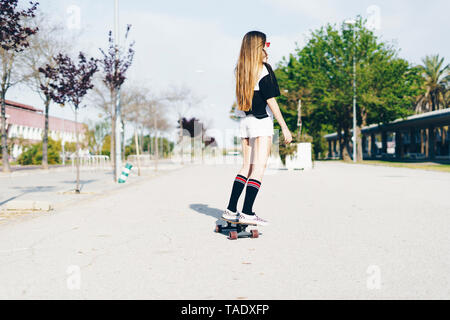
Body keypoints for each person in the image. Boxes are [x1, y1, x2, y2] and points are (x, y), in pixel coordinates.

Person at [222, 30, 293, 226]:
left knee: (247, 167)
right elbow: (271, 102)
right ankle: (247, 212)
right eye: (266, 45)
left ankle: (230, 209)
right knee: (259, 168)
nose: (267, 49)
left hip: (245, 123)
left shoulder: (241, 69)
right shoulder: (264, 69)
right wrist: (285, 128)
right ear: (258, 47)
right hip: (261, 123)